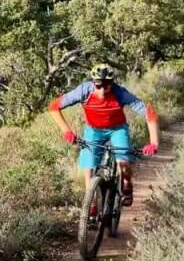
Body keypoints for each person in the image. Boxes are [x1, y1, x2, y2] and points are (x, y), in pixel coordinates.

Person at [48, 64, 159, 207]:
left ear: (112, 84)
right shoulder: (84, 91)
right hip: (93, 130)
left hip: (117, 130)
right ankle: (91, 205)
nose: (101, 90)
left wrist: (153, 143)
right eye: (98, 85)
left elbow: (149, 113)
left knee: (123, 163)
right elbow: (53, 107)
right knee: (88, 168)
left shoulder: (120, 93)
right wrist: (67, 131)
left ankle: (127, 183)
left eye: (106, 86)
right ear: (93, 83)